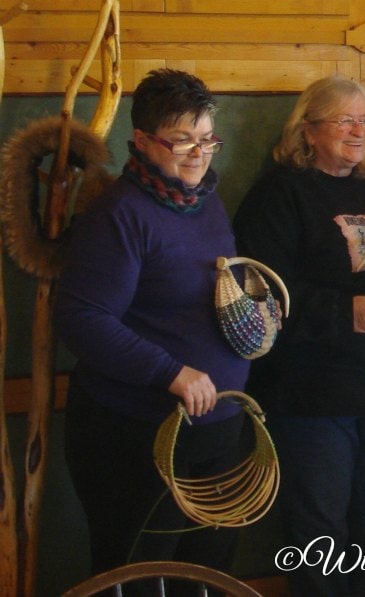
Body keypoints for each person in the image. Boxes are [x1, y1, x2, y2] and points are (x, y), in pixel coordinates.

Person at [233, 75, 365, 596]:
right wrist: (346, 311)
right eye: (346, 120)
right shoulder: (278, 195)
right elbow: (262, 297)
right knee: (319, 540)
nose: (359, 129)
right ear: (309, 130)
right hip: (311, 397)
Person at [54, 69, 248, 577]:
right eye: (181, 141)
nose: (199, 154)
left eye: (208, 140)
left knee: (206, 574)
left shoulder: (207, 201)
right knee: (144, 574)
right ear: (141, 141)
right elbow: (82, 319)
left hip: (216, 430)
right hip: (138, 432)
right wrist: (171, 371)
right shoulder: (120, 214)